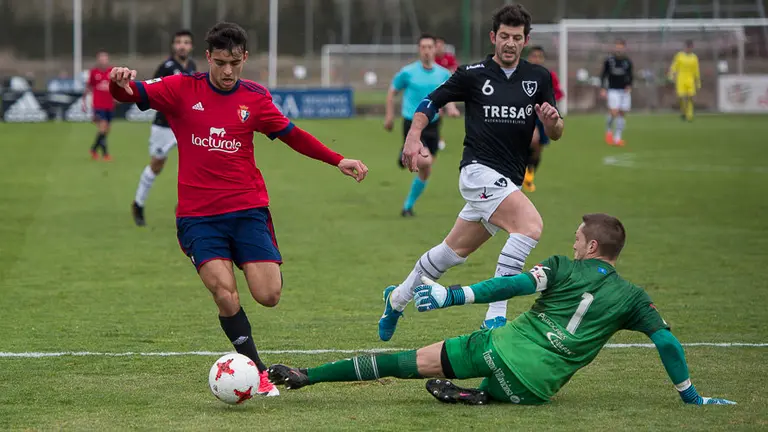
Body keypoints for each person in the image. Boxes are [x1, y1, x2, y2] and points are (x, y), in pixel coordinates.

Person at [108, 22, 368, 397]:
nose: (228, 71)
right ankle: (258, 372)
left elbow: (292, 134)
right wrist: (119, 82)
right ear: (208, 57)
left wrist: (337, 159)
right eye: (220, 62)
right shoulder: (182, 88)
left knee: (269, 295)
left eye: (235, 62)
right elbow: (132, 93)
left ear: (244, 58)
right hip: (199, 217)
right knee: (225, 293)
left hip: (247, 210)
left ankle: (249, 263)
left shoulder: (256, 99)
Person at [269, 213, 736, 407]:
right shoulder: (634, 298)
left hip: (499, 347)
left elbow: (512, 281)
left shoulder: (559, 267)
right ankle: (479, 398)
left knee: (403, 362)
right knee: (511, 387)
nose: (572, 241)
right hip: (535, 388)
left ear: (591, 245)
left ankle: (308, 375)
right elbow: (668, 341)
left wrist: (455, 295)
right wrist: (691, 396)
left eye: (577, 236)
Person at [378, 3, 563, 338]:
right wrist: (413, 135)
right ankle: (495, 315)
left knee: (450, 254)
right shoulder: (473, 73)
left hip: (506, 180)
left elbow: (555, 130)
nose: (509, 42)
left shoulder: (538, 78)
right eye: (504, 36)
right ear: (494, 37)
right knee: (530, 226)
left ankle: (397, 299)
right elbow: (429, 103)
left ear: (525, 41)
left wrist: (553, 123)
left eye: (516, 38)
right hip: (478, 172)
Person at [384, 34, 459, 217]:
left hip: (433, 124)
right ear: (419, 50)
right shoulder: (408, 72)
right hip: (412, 123)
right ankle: (407, 153)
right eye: (423, 47)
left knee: (427, 169)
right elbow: (392, 91)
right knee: (424, 161)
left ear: (436, 49)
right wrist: (389, 116)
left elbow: (446, 96)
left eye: (430, 47)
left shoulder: (443, 73)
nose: (426, 50)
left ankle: (407, 207)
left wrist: (452, 108)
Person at [131, 30, 197, 227]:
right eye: (179, 42)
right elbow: (153, 92)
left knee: (196, 164)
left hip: (187, 125)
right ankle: (138, 203)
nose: (182, 46)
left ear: (191, 46)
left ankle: (187, 207)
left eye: (186, 42)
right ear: (173, 46)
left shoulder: (192, 67)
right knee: (157, 164)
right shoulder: (166, 68)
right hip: (165, 126)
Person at [522, 46, 563, 193]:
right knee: (533, 140)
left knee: (538, 148)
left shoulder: (548, 75)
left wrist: (550, 104)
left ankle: (530, 173)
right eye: (534, 56)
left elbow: (558, 93)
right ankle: (521, 171)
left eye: (540, 56)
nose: (536, 59)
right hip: (526, 114)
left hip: (543, 116)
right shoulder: (523, 73)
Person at [600, 39, 633, 147]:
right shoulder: (609, 61)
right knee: (614, 112)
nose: (619, 49)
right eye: (617, 46)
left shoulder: (627, 62)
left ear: (624, 48)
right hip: (612, 90)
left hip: (624, 91)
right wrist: (603, 88)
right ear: (615, 47)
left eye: (621, 47)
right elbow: (603, 75)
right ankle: (609, 130)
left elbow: (630, 76)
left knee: (622, 113)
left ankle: (617, 138)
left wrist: (629, 86)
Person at [86, 51, 115, 160]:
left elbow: (115, 87)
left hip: (109, 105)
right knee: (102, 127)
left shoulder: (112, 71)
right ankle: (106, 154)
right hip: (98, 105)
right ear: (98, 60)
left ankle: (93, 149)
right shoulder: (94, 72)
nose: (103, 60)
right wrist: (87, 103)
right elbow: (89, 87)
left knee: (107, 129)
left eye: (105, 58)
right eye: (101, 58)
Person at [434, 36, 459, 151]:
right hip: (434, 91)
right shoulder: (432, 60)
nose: (439, 48)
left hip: (447, 91)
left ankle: (437, 137)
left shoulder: (449, 57)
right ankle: (438, 137)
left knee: (440, 115)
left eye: (441, 46)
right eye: (437, 46)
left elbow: (455, 71)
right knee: (437, 114)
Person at [668, 40, 700, 122]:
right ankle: (683, 112)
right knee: (681, 97)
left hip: (690, 79)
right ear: (684, 47)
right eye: (687, 47)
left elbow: (696, 70)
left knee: (690, 97)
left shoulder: (694, 57)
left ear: (692, 48)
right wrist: (671, 75)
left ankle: (689, 115)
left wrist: (698, 82)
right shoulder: (679, 56)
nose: (688, 49)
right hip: (681, 79)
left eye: (690, 47)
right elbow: (674, 66)